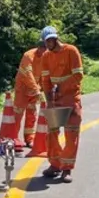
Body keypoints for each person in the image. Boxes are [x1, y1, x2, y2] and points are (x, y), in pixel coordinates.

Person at [38, 26, 83, 183]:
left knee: (71, 135)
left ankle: (67, 169)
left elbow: (78, 75)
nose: (50, 42)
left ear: (56, 38)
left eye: (52, 39)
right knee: (51, 134)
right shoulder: (45, 57)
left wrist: (62, 87)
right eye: (47, 41)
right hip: (55, 100)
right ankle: (55, 165)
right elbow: (45, 80)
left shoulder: (71, 51)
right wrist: (49, 100)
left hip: (71, 99)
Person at [12, 42, 47, 147]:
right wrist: (37, 90)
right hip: (23, 89)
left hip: (34, 89)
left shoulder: (46, 56)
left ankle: (29, 139)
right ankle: (13, 138)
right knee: (18, 114)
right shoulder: (28, 55)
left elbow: (45, 74)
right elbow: (28, 74)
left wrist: (44, 89)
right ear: (40, 47)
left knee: (32, 114)